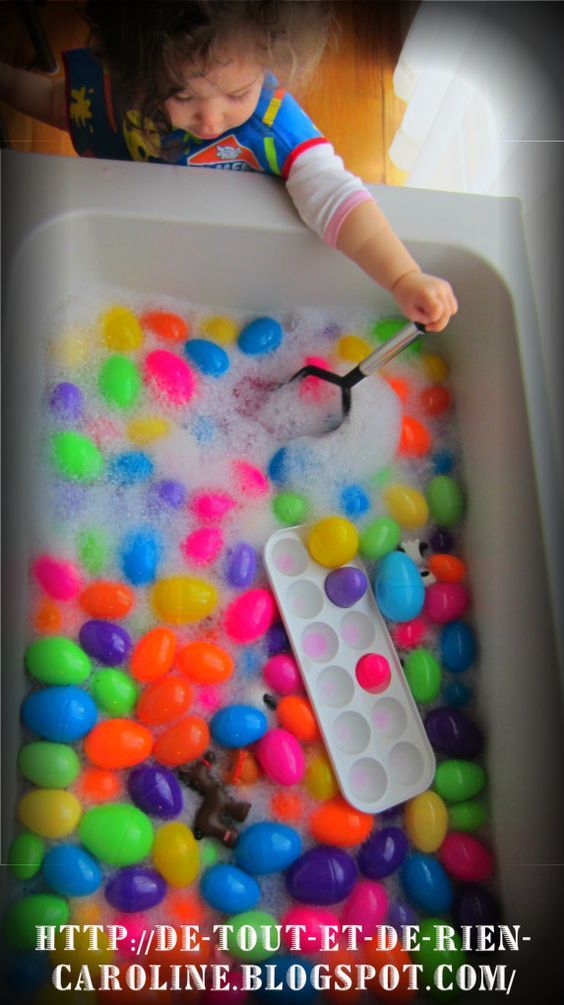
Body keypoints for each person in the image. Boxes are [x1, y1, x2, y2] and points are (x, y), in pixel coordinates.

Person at [0, 0, 457, 331]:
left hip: (218, 272)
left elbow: (335, 195)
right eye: (183, 97)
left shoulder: (272, 123)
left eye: (237, 94)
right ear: (141, 69)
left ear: (268, 63)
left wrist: (402, 276)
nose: (212, 118)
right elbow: (58, 103)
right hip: (135, 242)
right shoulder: (131, 87)